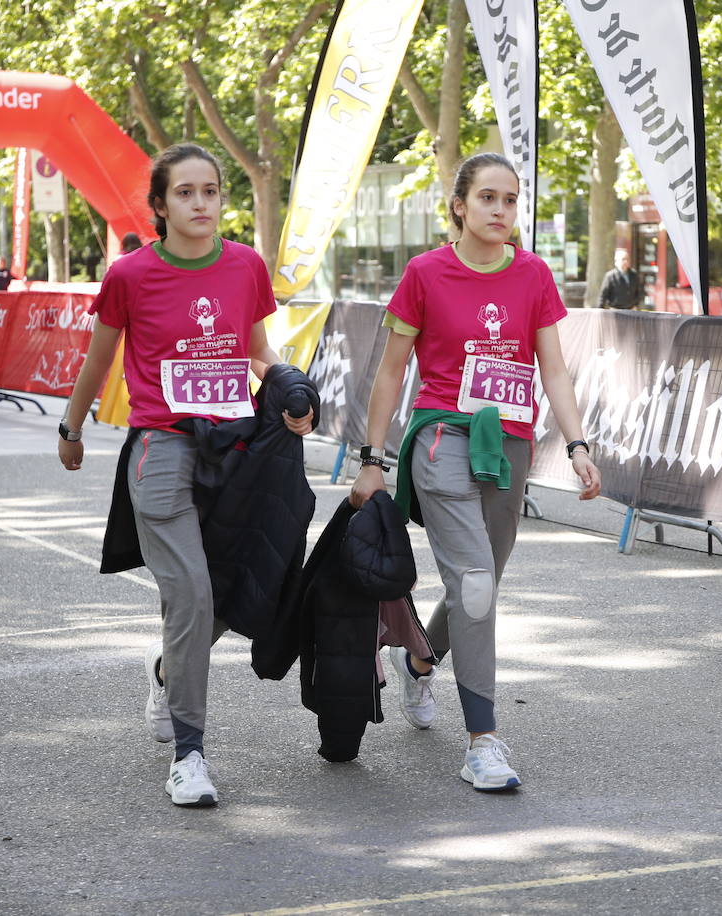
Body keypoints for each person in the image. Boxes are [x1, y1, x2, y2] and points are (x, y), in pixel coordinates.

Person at [57, 142, 314, 807]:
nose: (202, 204)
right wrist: (72, 426)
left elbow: (257, 354)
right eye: (186, 193)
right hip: (162, 447)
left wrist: (288, 389)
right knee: (194, 594)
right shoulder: (131, 276)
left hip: (235, 446)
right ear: (162, 205)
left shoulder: (246, 267)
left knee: (218, 593)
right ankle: (190, 755)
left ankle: (171, 667)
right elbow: (99, 361)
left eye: (211, 191)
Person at [349, 151, 602, 792]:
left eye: (511, 200)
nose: (501, 211)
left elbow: (554, 370)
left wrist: (577, 446)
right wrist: (372, 458)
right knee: (477, 582)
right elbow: (390, 371)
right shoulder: (424, 274)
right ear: (459, 206)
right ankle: (483, 742)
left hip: (509, 445)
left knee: (481, 578)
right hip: (441, 439)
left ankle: (419, 657)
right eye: (488, 198)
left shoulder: (534, 275)